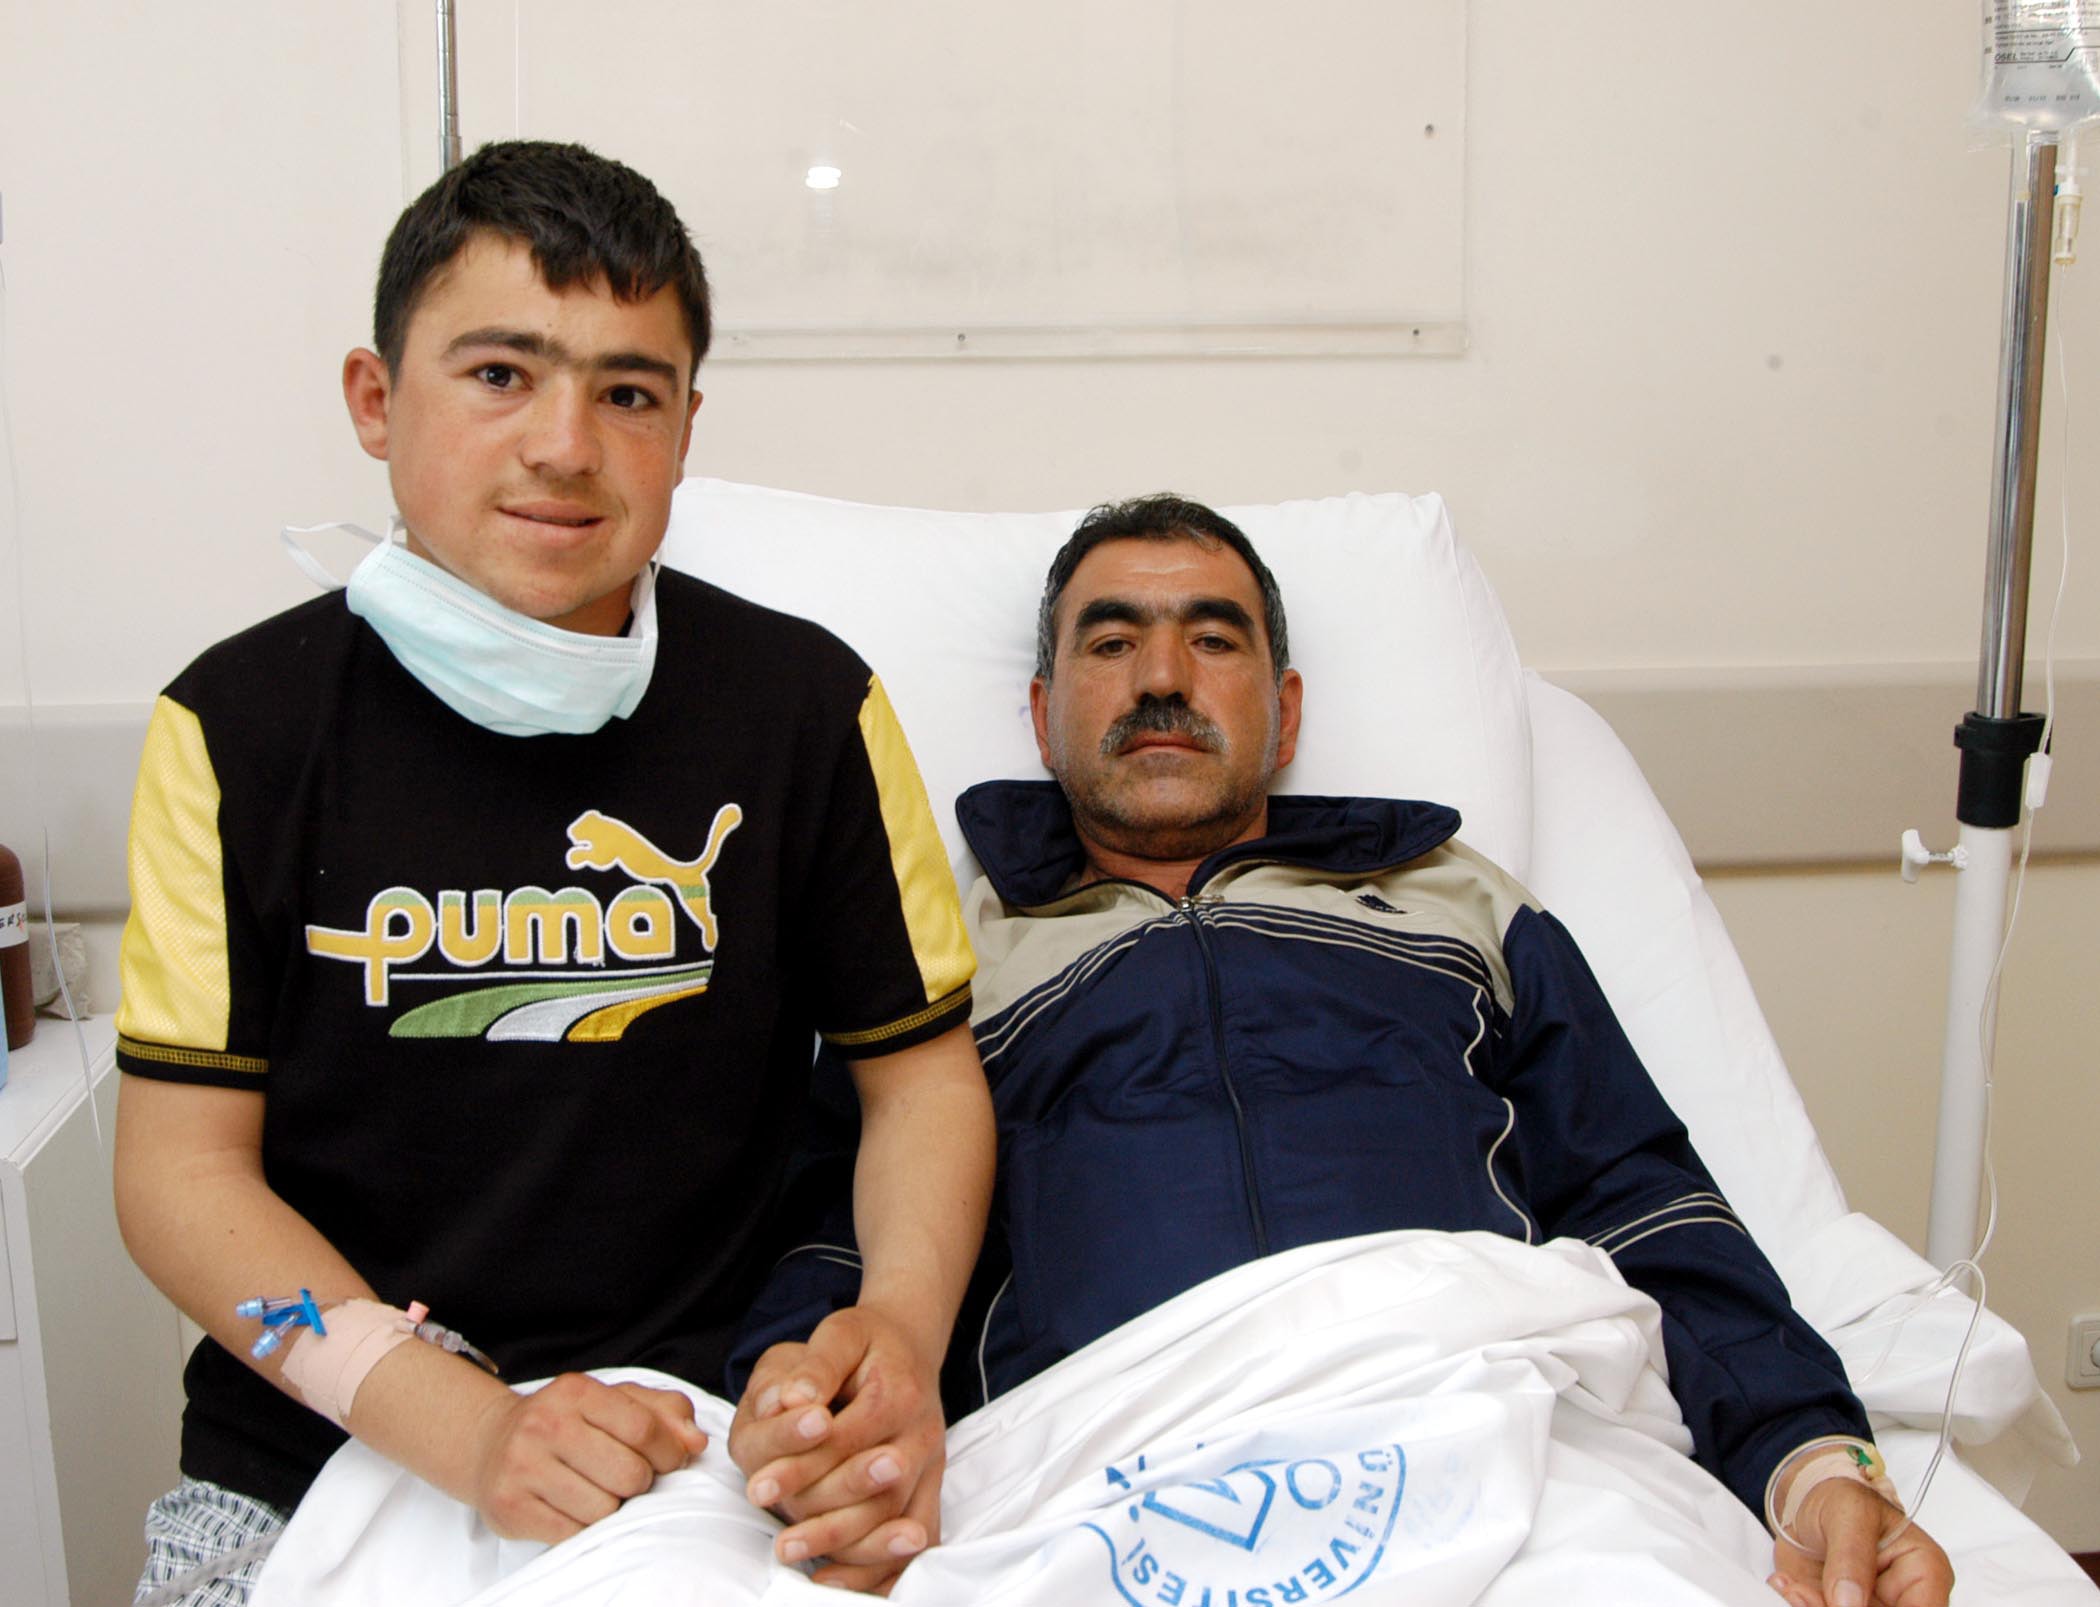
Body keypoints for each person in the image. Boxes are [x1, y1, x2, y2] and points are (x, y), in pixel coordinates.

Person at [728, 494, 1955, 1607]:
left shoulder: (1461, 900)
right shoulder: (943, 944)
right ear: (1045, 717)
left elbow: (1643, 1199)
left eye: (1215, 640)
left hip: (1486, 1411)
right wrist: (804, 1406)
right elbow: (842, 1240)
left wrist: (1810, 1457)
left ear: (1289, 711)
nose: (1163, 677)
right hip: (1109, 1454)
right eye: (1110, 643)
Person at [112, 140, 992, 1606]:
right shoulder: (237, 726)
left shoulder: (805, 708)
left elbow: (920, 1083)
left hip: (704, 1439)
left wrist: (897, 1330)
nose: (566, 445)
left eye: (628, 393)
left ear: (687, 428)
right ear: (375, 399)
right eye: (499, 374)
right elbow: (178, 1170)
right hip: (320, 1436)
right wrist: (462, 1422)